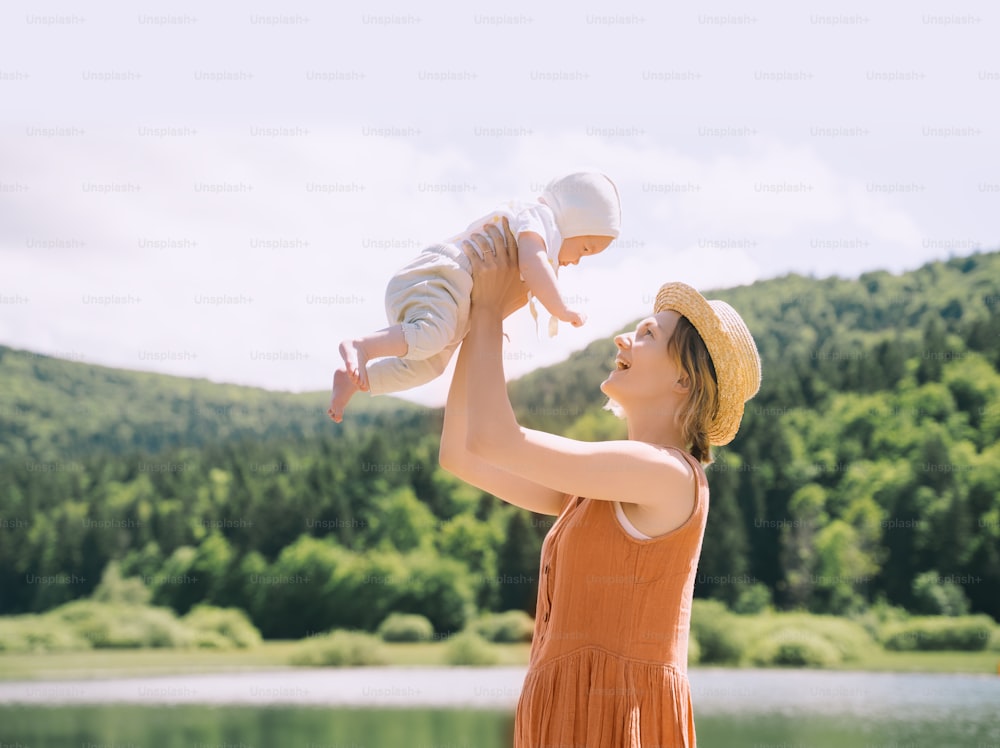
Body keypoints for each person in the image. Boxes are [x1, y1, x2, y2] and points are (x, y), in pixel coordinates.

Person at [438, 220, 762, 748]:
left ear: (685, 379)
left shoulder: (668, 474)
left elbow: (499, 440)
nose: (624, 337)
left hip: (613, 719)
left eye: (648, 334)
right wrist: (478, 319)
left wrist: (492, 308)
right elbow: (462, 452)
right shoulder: (595, 491)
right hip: (562, 717)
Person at [327, 171, 622, 422]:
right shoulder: (540, 217)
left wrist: (492, 324)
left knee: (430, 366)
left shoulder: (544, 234)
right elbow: (533, 263)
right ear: (573, 219)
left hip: (450, 300)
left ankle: (356, 382)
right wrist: (561, 308)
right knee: (432, 335)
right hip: (438, 278)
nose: (579, 261)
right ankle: (362, 346)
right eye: (586, 248)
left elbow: (503, 289)